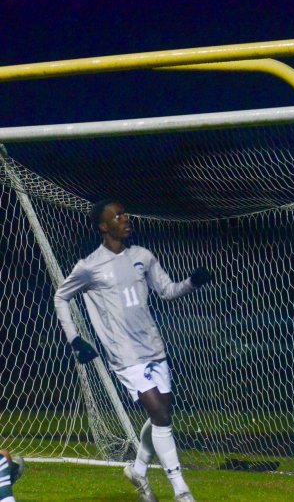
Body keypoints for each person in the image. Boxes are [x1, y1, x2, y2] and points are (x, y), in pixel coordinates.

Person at [54, 199, 212, 502]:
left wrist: (192, 282)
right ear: (103, 226)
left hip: (153, 346)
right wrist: (74, 338)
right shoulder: (88, 267)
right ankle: (181, 491)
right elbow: (61, 297)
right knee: (160, 415)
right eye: (118, 216)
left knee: (160, 416)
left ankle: (139, 470)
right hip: (123, 354)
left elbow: (167, 291)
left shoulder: (143, 256)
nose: (125, 218)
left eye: (125, 213)